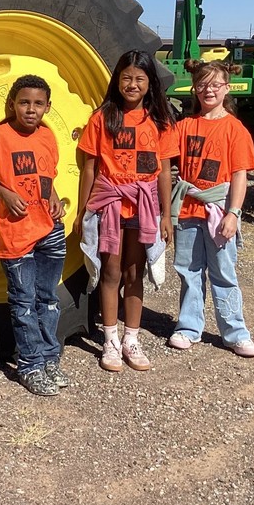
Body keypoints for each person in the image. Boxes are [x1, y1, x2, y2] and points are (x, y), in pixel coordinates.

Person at [75, 50, 177, 373]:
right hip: (110, 204)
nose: (132, 85)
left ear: (150, 84)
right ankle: (110, 339)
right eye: (126, 78)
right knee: (111, 271)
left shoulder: (160, 122)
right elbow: (89, 169)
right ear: (117, 80)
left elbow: (164, 172)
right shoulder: (102, 118)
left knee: (135, 272)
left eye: (139, 79)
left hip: (144, 207)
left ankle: (132, 338)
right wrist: (81, 211)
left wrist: (166, 215)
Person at [0, 75, 68, 397]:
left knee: (48, 299)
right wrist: (4, 194)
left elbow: (48, 176)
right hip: (15, 233)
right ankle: (29, 365)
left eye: (38, 104)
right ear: (13, 104)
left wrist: (55, 197)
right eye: (24, 102)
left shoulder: (48, 135)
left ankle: (49, 358)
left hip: (49, 228)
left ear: (47, 106)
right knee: (24, 302)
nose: (31, 109)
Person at [168, 59, 254, 357]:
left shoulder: (235, 130)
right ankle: (188, 327)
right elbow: (162, 158)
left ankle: (235, 332)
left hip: (219, 211)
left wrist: (234, 214)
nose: (209, 90)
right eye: (202, 85)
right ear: (194, 89)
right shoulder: (185, 126)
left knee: (223, 272)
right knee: (189, 271)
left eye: (215, 85)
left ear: (226, 88)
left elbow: (239, 175)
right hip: (188, 210)